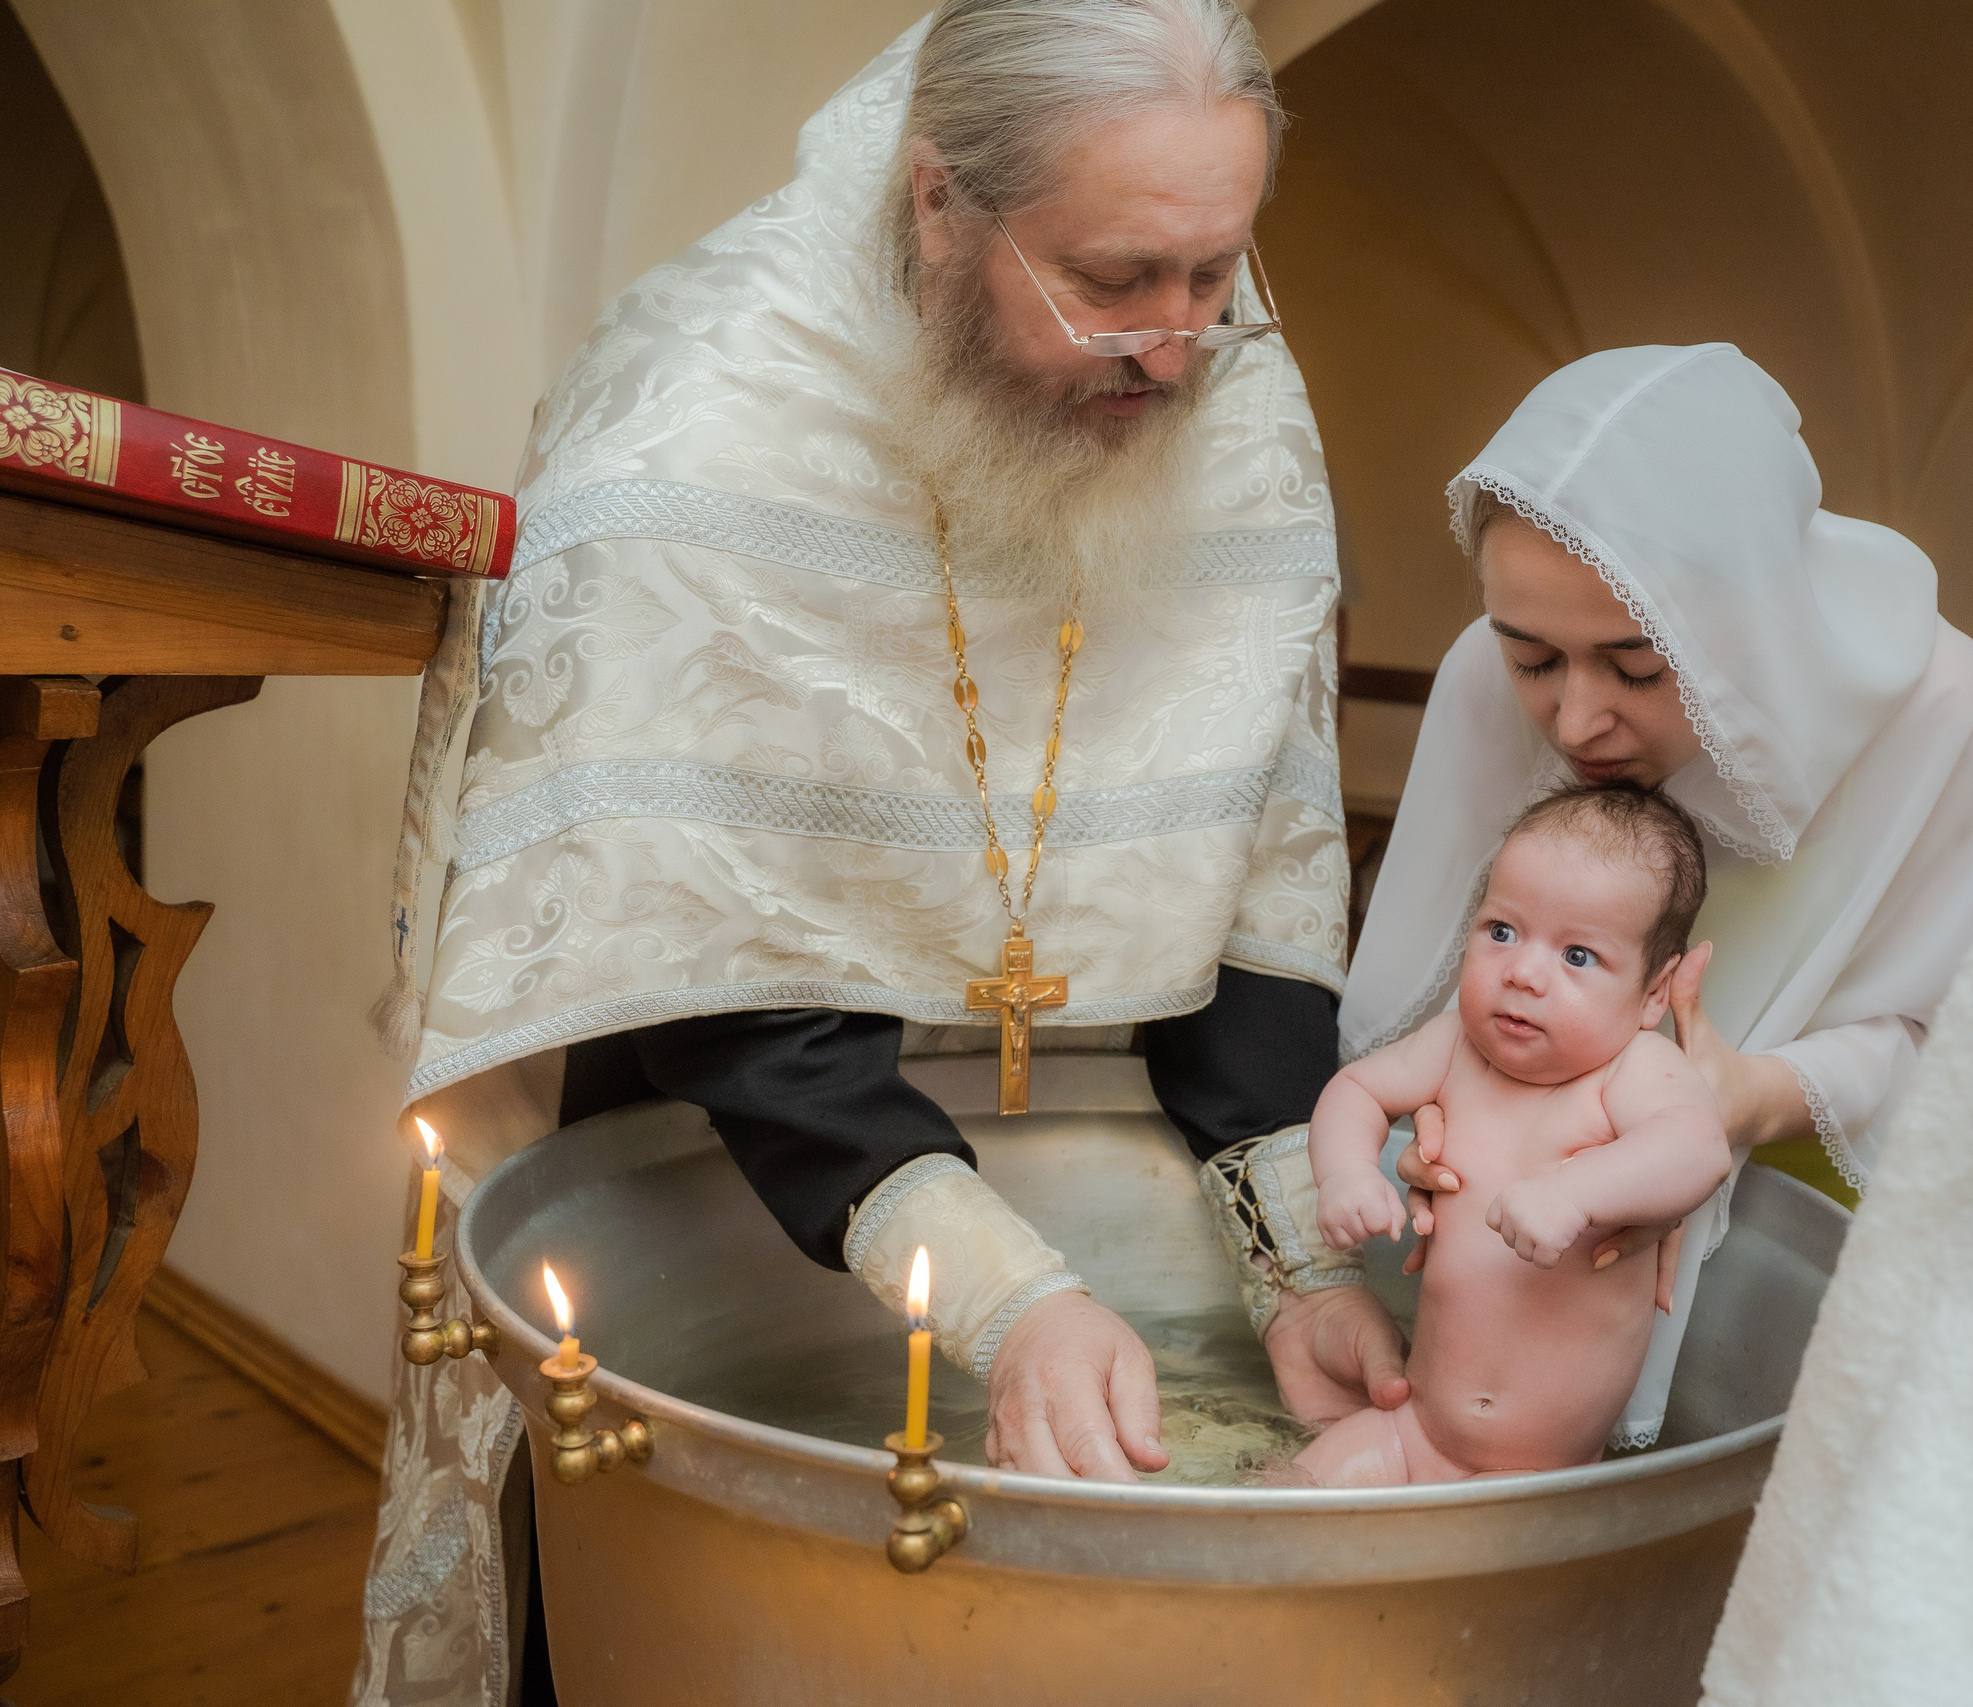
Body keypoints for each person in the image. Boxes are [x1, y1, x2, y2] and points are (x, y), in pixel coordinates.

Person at [357, 5, 1390, 1701]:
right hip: (731, 1156)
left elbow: (1250, 862)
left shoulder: (1238, 409)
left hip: (1089, 1128)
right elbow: (691, 921)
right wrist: (1004, 1294)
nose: (1179, 344)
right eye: (1117, 278)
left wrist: (1295, 1261)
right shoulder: (700, 419)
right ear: (938, 207)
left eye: (1215, 272)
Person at [1199, 344, 1973, 1453]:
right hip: (1491, 1254)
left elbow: (1964, 1046)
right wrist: (1439, 1115)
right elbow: (1428, 987)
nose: (1576, 721)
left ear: (1750, 619)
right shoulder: (1478, 677)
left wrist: (1747, 1097)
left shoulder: (1937, 714)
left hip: (1812, 1204)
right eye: (1532, 659)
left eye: (1638, 669)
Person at [1295, 784, 1728, 1486]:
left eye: (1578, 956)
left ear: (1654, 994)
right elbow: (1357, 1089)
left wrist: (1577, 1190)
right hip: (1414, 1431)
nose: (1522, 973)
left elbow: (1697, 1148)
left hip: (1543, 1477)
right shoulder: (1457, 1042)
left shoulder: (1635, 1070)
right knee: (1289, 1499)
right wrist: (1346, 1172)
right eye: (1502, 930)